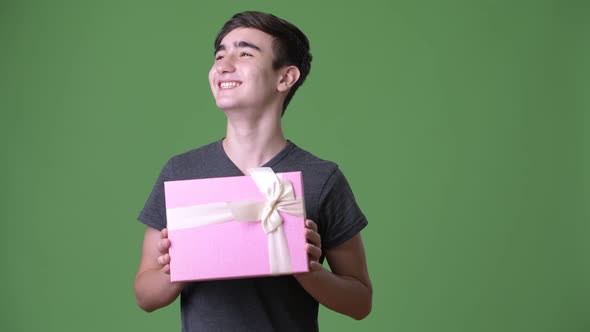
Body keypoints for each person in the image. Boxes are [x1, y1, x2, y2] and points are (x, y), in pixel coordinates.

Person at [134, 11, 372, 331]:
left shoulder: (321, 178)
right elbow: (145, 296)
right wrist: (175, 268)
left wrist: (309, 269)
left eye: (244, 53)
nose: (223, 64)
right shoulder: (181, 172)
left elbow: (360, 302)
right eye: (220, 54)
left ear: (285, 78)